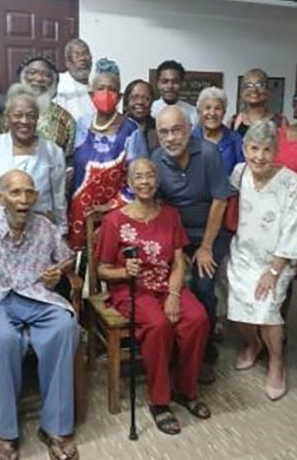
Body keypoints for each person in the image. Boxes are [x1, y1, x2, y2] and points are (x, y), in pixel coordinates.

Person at [0, 169, 80, 460]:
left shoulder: (43, 225)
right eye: (15, 192)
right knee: (4, 341)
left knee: (65, 326)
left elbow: (67, 258)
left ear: (37, 197)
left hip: (36, 295)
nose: (23, 199)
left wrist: (58, 272)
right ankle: (5, 433)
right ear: (0, 197)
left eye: (29, 192)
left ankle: (55, 426)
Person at [96, 158, 211, 435]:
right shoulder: (114, 221)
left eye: (150, 176)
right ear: (130, 183)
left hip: (166, 284)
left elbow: (178, 261)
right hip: (131, 289)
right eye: (139, 177)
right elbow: (101, 270)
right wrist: (124, 270)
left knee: (198, 318)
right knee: (158, 326)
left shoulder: (170, 215)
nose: (145, 181)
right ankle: (159, 400)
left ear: (157, 182)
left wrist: (173, 294)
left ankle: (186, 389)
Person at [227, 120, 297, 401]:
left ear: (276, 151)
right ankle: (252, 343)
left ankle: (276, 361)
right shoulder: (239, 173)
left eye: (266, 150)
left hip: (277, 259)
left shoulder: (291, 182)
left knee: (267, 309)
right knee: (237, 310)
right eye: (254, 148)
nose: (259, 156)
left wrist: (274, 271)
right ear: (244, 148)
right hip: (243, 255)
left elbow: (294, 227)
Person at [151, 105, 231, 383]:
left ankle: (205, 352)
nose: (171, 137)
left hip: (210, 233)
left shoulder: (209, 154)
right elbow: (158, 204)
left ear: (189, 130)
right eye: (164, 132)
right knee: (168, 285)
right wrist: (176, 249)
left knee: (203, 285)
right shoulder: (156, 159)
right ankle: (174, 348)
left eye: (177, 130)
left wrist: (206, 246)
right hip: (176, 235)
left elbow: (220, 200)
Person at [68, 58, 138, 249]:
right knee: (79, 268)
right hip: (78, 214)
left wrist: (110, 208)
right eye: (100, 88)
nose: (105, 93)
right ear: (91, 95)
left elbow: (138, 178)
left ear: (120, 96)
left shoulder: (132, 130)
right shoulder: (80, 124)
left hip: (117, 215)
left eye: (111, 89)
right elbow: (70, 167)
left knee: (110, 267)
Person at [0, 90, 67, 235]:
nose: (24, 121)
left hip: (39, 229)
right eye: (18, 115)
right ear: (7, 118)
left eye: (31, 116)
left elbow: (58, 195)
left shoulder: (52, 150)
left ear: (37, 119)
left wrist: (61, 229)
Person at [17, 55, 76, 158]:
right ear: (22, 77)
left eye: (46, 75)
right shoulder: (5, 113)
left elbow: (69, 160)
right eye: (33, 72)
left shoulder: (65, 120)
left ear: (54, 81)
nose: (39, 79)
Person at [192, 86, 244, 175]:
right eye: (207, 108)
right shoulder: (190, 138)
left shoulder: (235, 140)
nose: (212, 113)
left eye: (217, 108)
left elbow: (242, 172)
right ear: (199, 111)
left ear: (224, 112)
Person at [230, 68, 288, 137]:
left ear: (268, 91)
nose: (254, 89)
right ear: (242, 93)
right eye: (249, 85)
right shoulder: (233, 121)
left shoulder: (280, 121)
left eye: (259, 85)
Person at [55, 38, 95, 122]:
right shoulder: (59, 85)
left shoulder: (96, 85)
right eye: (77, 55)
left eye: (85, 54)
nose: (83, 59)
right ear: (67, 63)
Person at [151, 60, 198, 128]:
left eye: (175, 82)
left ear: (182, 84)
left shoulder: (192, 113)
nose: (170, 86)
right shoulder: (151, 110)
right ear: (158, 84)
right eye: (165, 82)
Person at [123, 79, 160, 153]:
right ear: (127, 101)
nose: (140, 102)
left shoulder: (159, 130)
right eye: (134, 97)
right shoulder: (116, 127)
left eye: (146, 98)